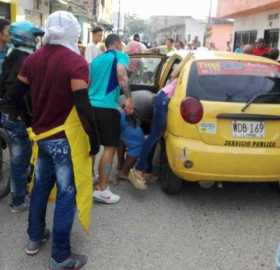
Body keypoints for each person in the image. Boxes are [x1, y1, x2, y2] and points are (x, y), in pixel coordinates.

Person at [15, 11, 98, 270]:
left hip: (41, 138)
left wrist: (31, 121)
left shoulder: (33, 59)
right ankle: (61, 257)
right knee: (66, 193)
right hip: (65, 141)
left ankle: (34, 238)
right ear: (73, 33)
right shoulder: (75, 63)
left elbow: (15, 95)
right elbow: (83, 108)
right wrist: (94, 139)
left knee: (40, 187)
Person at [128, 54, 191, 188]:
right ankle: (138, 169)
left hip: (162, 98)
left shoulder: (189, 69)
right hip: (162, 101)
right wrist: (188, 58)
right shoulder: (190, 68)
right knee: (154, 136)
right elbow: (174, 75)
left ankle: (146, 171)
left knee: (154, 136)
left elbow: (174, 75)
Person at [0, 21, 44, 213]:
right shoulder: (25, 59)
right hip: (16, 116)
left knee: (20, 158)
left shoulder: (12, 54)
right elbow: (20, 92)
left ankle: (20, 192)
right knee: (19, 159)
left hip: (7, 113)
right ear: (25, 37)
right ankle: (18, 201)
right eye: (33, 37)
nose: (36, 40)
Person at [89, 34, 133, 204]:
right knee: (109, 148)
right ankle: (102, 188)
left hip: (90, 107)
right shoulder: (118, 55)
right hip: (108, 108)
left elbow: (89, 82)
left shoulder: (96, 60)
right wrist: (128, 98)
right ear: (117, 44)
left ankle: (90, 180)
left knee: (92, 148)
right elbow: (121, 73)